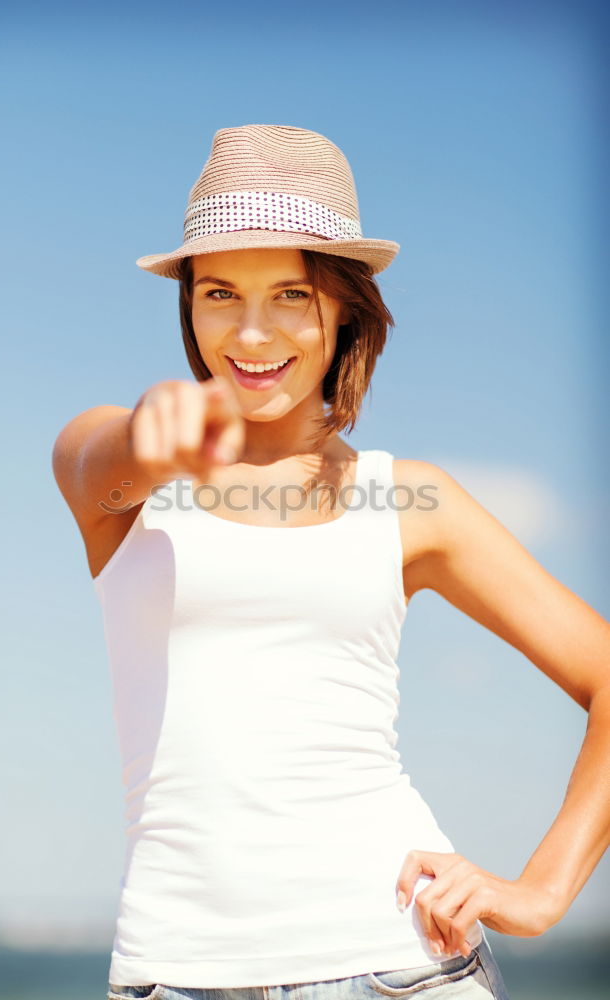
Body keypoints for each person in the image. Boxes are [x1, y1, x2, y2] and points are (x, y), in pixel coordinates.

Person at [51, 125, 610, 1000]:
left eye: (292, 295)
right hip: (176, 974)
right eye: (221, 293)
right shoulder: (120, 474)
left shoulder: (412, 500)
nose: (251, 331)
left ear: (345, 305)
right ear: (188, 305)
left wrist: (541, 892)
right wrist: (152, 433)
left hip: (402, 962)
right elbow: (100, 459)